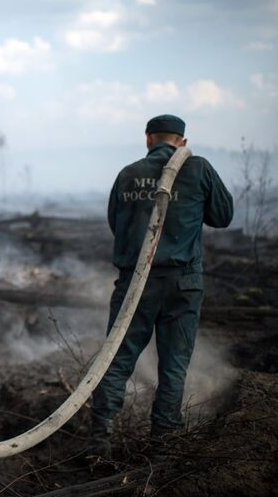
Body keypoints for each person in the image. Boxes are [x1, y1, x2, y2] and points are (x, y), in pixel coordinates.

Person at [89, 114, 233, 458]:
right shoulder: (198, 168)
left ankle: (99, 443)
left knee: (116, 359)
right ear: (181, 141)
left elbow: (117, 224)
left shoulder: (127, 173)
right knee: (173, 365)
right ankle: (163, 443)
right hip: (183, 284)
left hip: (136, 283)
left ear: (148, 139)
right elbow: (223, 216)